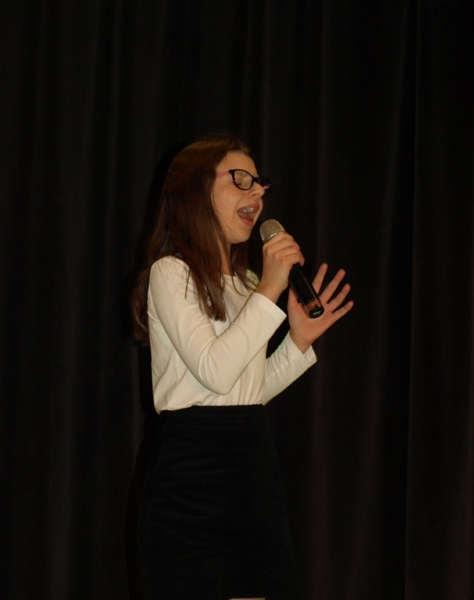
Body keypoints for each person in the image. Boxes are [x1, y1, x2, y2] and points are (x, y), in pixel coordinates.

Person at [131, 133, 353, 600]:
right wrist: (269, 291)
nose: (258, 194)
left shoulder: (248, 283)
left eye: (259, 183)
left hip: (252, 465)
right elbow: (215, 373)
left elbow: (246, 392)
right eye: (240, 180)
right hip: (190, 472)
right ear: (194, 189)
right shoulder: (171, 273)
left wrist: (297, 340)